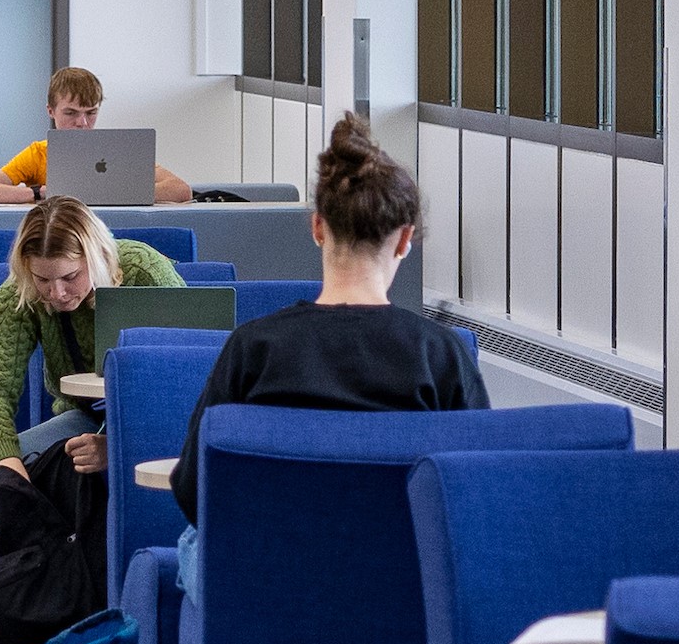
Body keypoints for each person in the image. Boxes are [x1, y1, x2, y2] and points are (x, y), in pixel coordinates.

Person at [168, 114, 483, 522]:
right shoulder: (440, 355)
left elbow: (194, 490)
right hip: (401, 580)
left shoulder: (253, 349)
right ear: (405, 239)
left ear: (318, 227)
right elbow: (473, 494)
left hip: (270, 576)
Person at [0, 195, 186, 482]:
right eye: (43, 279)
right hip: (83, 417)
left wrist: (121, 446)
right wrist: (7, 464)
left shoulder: (143, 272)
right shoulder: (20, 292)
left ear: (95, 258)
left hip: (159, 422)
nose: (57, 293)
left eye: (70, 276)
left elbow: (191, 384)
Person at [0, 67, 194, 205]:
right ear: (51, 111)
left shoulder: (117, 151)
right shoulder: (39, 153)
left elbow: (180, 190)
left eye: (91, 113)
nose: (82, 123)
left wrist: (115, 194)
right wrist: (39, 193)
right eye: (71, 113)